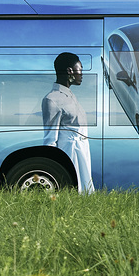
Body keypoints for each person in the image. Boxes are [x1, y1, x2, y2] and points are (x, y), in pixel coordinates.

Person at [41, 52, 94, 193]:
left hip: (82, 150)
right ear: (70, 71)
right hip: (70, 153)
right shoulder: (52, 99)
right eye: (80, 69)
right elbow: (50, 141)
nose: (81, 74)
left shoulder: (70, 96)